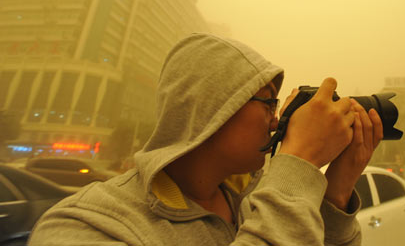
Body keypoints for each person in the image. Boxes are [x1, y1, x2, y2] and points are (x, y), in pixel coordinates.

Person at [29, 33, 383, 245]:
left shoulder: (252, 204)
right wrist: (300, 162)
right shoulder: (89, 225)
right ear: (213, 106)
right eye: (267, 102)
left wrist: (335, 197)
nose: (276, 119)